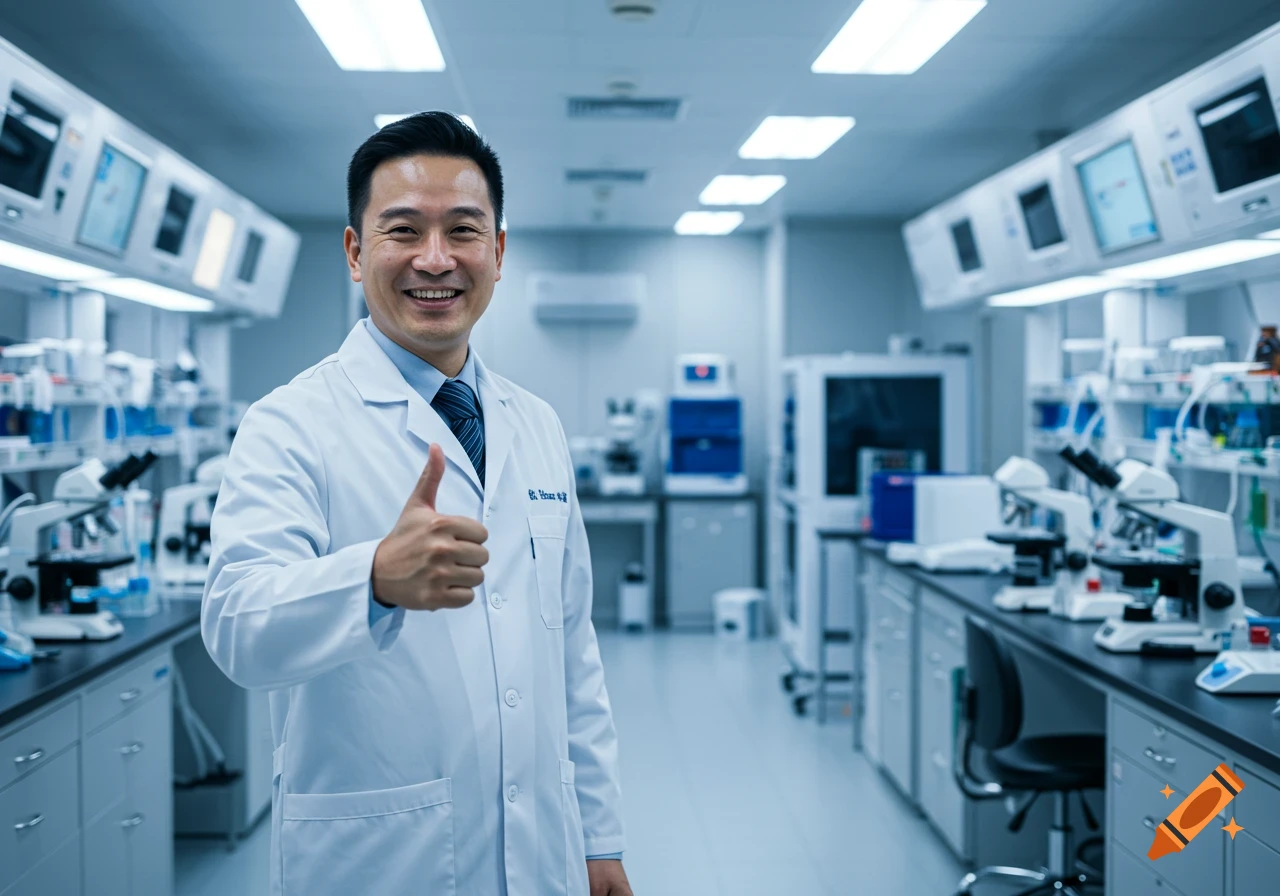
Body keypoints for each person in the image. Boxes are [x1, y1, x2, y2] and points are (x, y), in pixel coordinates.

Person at [202, 112, 630, 896]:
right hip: (382, 862)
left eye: (463, 230)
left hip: (544, 856)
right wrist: (370, 579)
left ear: (498, 253)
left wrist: (598, 836)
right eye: (403, 230)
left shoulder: (535, 424)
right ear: (355, 251)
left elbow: (571, 648)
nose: (436, 259)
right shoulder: (290, 423)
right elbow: (236, 624)